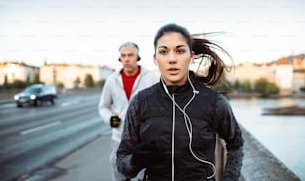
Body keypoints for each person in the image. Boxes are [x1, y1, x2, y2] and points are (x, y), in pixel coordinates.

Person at [116, 23, 244, 181]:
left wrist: (229, 178)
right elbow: (122, 162)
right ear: (155, 59)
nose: (172, 59)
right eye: (163, 52)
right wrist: (134, 162)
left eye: (180, 51)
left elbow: (236, 144)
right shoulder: (140, 102)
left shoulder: (214, 102)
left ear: (192, 57)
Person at [98, 42, 158, 181]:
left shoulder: (152, 79)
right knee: (119, 175)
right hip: (119, 139)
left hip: (144, 140)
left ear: (138, 57)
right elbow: (103, 106)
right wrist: (110, 118)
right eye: (123, 56)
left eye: (130, 55)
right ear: (120, 58)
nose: (126, 59)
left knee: (143, 177)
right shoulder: (112, 80)